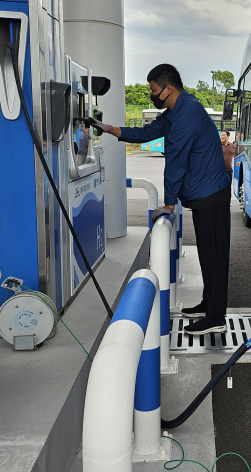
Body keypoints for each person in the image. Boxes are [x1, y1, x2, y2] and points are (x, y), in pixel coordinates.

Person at [86, 64, 230, 335]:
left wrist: (169, 203)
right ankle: (209, 305)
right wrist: (108, 128)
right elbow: (147, 133)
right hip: (204, 193)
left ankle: (216, 318)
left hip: (210, 194)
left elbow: (175, 161)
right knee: (209, 255)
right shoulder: (177, 110)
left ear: (168, 88)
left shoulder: (186, 115)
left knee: (215, 256)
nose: (152, 94)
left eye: (153, 90)